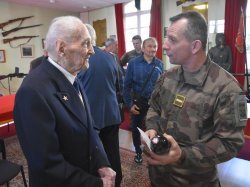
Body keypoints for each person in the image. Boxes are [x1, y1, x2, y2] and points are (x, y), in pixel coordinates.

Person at [143, 11, 247, 187]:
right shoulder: (167, 76)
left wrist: (182, 155)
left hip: (194, 181)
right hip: (158, 178)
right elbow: (154, 107)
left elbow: (230, 143)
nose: (165, 46)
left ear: (195, 46)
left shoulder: (227, 88)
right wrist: (151, 130)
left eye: (172, 40)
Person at [14, 16, 116, 187]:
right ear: (61, 48)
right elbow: (47, 165)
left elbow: (89, 128)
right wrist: (97, 184)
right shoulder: (32, 92)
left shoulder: (73, 76)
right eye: (85, 43)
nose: (92, 50)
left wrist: (102, 163)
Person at [78, 24, 122, 187]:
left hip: (91, 118)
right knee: (113, 154)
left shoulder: (81, 59)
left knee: (95, 158)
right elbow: (120, 84)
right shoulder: (110, 57)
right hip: (111, 113)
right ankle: (116, 182)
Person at [123, 37, 163, 164]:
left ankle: (155, 151)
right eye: (150, 46)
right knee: (136, 129)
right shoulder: (134, 63)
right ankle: (138, 152)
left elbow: (162, 86)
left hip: (155, 104)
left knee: (155, 128)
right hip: (138, 103)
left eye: (155, 46)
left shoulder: (160, 64)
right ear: (143, 48)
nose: (153, 49)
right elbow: (126, 86)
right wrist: (129, 104)